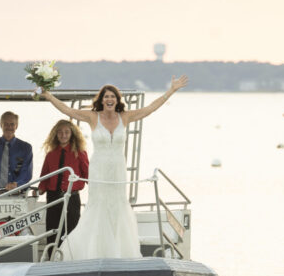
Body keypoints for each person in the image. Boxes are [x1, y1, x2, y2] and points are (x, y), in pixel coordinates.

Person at [41, 75, 189, 260]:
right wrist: (48, 95)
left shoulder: (124, 117)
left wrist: (171, 90)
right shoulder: (92, 117)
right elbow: (68, 110)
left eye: (113, 97)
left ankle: (119, 251)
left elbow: (149, 109)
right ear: (101, 100)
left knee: (117, 206)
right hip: (99, 169)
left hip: (118, 169)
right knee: (99, 206)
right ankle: (91, 252)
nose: (109, 99)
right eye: (106, 97)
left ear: (117, 100)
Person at [38, 120, 89, 243]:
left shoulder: (80, 153)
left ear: (72, 134)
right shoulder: (50, 154)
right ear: (55, 134)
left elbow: (88, 173)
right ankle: (52, 258)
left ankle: (70, 260)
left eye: (67, 132)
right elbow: (45, 176)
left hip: (72, 197)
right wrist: (40, 189)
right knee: (52, 230)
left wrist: (97, 190)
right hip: (53, 197)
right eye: (60, 132)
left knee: (72, 230)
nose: (63, 135)